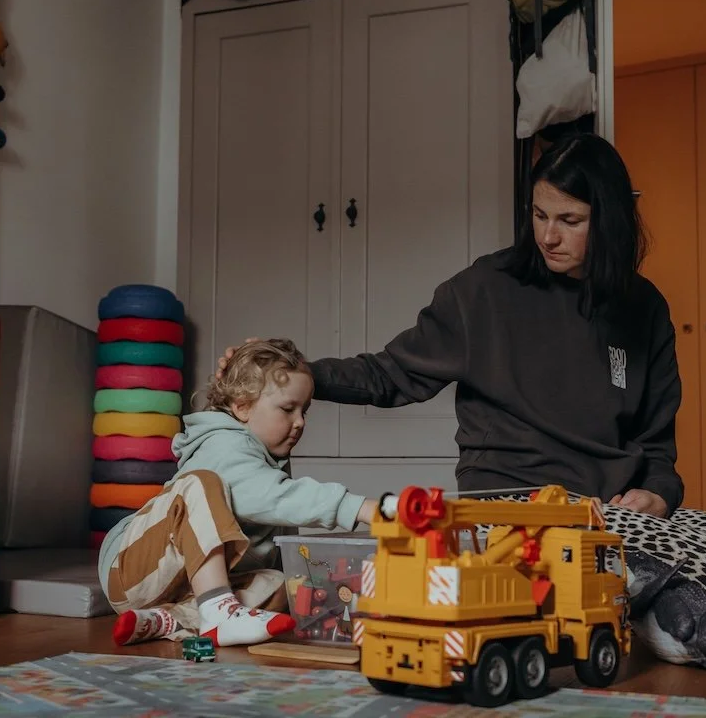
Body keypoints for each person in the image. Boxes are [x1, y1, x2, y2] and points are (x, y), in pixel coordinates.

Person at [221, 131, 680, 517]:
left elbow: (656, 444)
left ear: (612, 220)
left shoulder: (644, 308)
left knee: (704, 591)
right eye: (539, 215)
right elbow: (390, 375)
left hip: (609, 511)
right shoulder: (485, 290)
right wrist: (290, 374)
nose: (547, 236)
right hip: (509, 504)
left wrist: (658, 495)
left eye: (570, 220)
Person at [97, 339, 378, 647]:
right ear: (242, 406)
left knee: (285, 586)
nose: (299, 423)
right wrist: (360, 508)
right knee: (199, 482)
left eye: (304, 411)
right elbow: (276, 497)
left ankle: (171, 619)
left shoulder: (270, 462)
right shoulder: (223, 444)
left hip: (183, 587)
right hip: (129, 571)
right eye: (288, 409)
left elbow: (279, 530)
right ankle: (219, 610)